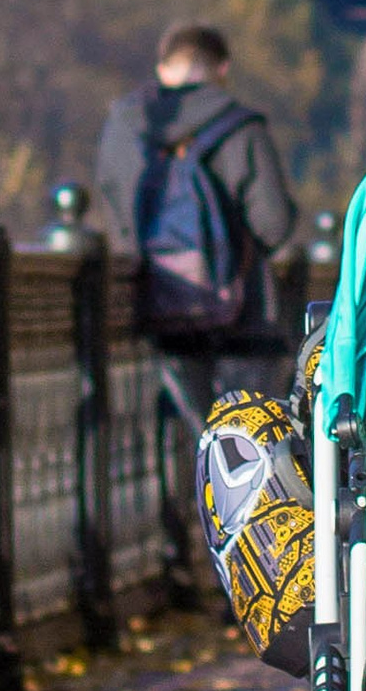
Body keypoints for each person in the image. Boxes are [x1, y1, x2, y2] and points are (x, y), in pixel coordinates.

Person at [95, 23, 299, 429]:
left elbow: (118, 212)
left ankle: (189, 472)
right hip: (242, 314)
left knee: (189, 433)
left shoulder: (126, 125)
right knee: (247, 436)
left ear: (162, 67)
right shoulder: (241, 126)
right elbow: (273, 224)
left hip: (161, 307)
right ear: (222, 68)